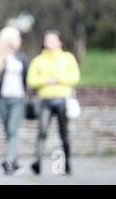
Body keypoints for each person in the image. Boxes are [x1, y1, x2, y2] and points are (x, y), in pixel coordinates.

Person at [27, 30, 80, 175]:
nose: (49, 43)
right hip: (45, 101)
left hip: (62, 100)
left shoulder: (67, 58)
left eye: (52, 40)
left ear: (60, 42)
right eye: (47, 40)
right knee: (42, 132)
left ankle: (67, 163)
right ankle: (37, 163)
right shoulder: (37, 60)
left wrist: (58, 79)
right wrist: (46, 80)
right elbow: (31, 81)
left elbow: (74, 77)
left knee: (64, 134)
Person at [0, 26, 28, 175]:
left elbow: (27, 78)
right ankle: (14, 162)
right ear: (9, 39)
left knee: (12, 130)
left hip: (18, 100)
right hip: (1, 100)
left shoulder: (21, 57)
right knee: (8, 130)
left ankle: (9, 161)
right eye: (17, 37)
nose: (20, 40)